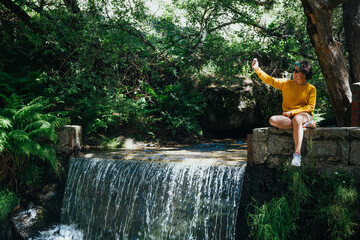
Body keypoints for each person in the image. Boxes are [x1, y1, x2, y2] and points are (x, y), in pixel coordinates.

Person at [251, 58, 316, 167]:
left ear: (304, 74)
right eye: (293, 70)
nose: (293, 73)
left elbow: (310, 107)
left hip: (304, 115)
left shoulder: (311, 89)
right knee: (272, 120)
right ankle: (301, 126)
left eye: (296, 71)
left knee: (297, 119)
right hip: (290, 118)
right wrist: (257, 69)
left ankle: (297, 154)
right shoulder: (286, 84)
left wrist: (292, 113)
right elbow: (270, 80)